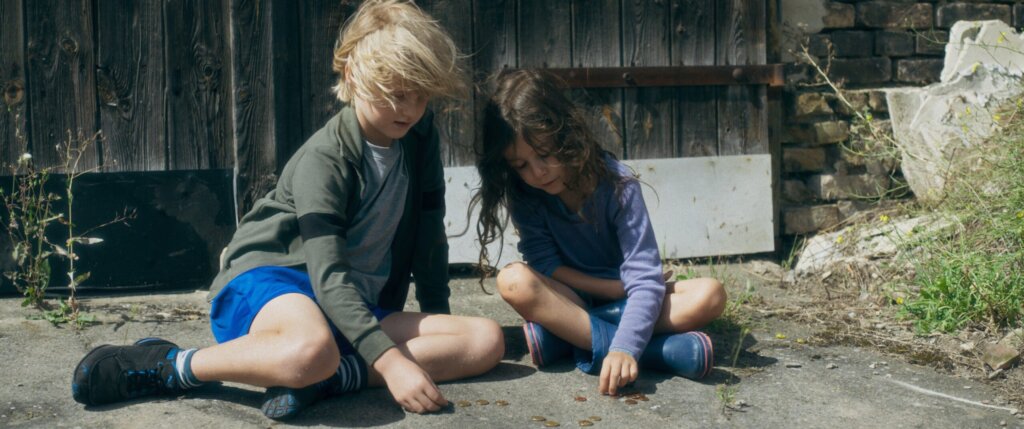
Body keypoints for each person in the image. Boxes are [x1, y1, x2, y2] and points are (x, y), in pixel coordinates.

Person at [72, 0, 504, 419]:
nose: (409, 109)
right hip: (274, 283)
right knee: (311, 351)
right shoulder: (326, 159)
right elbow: (327, 276)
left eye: (421, 95)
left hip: (347, 304)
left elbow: (429, 235)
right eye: (395, 93)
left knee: (484, 340)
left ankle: (328, 379)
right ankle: (173, 365)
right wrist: (391, 363)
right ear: (353, 74)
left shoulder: (419, 137)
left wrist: (436, 316)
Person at [473, 69, 727, 395]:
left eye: (545, 154)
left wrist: (625, 340)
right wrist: (613, 300)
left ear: (567, 134)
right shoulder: (526, 195)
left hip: (622, 300)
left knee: (710, 294)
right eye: (521, 165)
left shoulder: (620, 187)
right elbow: (545, 266)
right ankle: (656, 352)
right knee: (513, 281)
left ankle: (566, 337)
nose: (537, 172)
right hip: (570, 297)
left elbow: (644, 282)